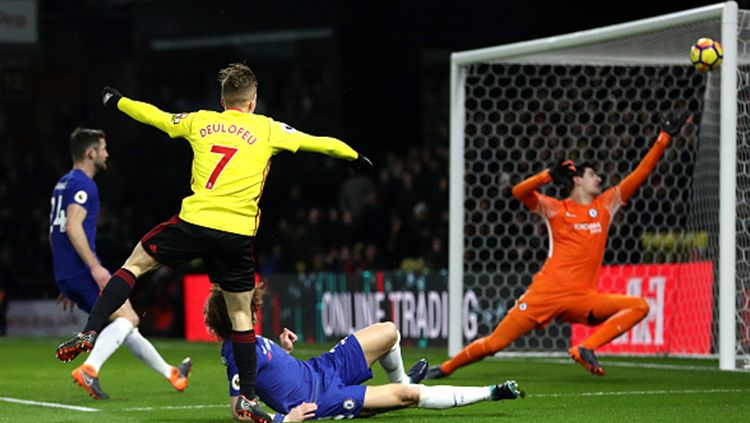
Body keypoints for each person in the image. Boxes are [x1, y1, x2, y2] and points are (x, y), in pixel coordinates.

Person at [55, 63, 373, 422]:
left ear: (223, 101)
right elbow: (321, 143)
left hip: (193, 224)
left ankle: (89, 331)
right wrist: (354, 158)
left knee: (133, 266)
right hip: (236, 235)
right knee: (241, 315)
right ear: (252, 102)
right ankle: (250, 398)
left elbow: (154, 116)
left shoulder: (201, 121)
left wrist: (117, 101)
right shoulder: (267, 129)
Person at [426, 113, 691, 379]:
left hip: (582, 299)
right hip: (546, 293)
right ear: (577, 180)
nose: (599, 178)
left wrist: (663, 139)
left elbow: (640, 174)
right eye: (592, 174)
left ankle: (586, 347)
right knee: (496, 343)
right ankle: (445, 368)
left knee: (640, 306)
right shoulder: (557, 209)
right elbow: (519, 192)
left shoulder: (606, 205)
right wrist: (547, 175)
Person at [203, 286, 524, 422]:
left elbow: (266, 371)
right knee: (408, 396)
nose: (251, 305)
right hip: (320, 395)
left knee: (389, 331)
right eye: (245, 302)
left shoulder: (247, 338)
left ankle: (402, 377)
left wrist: (285, 350)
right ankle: (492, 393)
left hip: (320, 368)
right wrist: (285, 419)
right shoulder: (235, 351)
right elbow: (239, 410)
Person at [49, 127, 192, 399]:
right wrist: (93, 267)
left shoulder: (63, 183)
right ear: (91, 153)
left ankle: (172, 374)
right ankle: (90, 369)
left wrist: (64, 276)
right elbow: (73, 226)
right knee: (129, 318)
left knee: (126, 324)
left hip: (68, 271)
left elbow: (54, 231)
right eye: (103, 149)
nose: (107, 153)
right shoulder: (84, 184)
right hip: (82, 269)